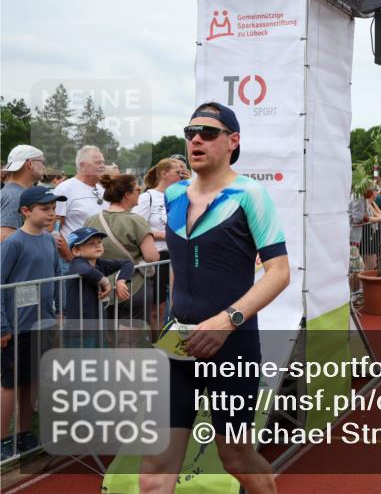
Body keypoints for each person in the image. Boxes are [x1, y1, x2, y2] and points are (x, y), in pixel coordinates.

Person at [140, 102, 289, 494]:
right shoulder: (174, 195)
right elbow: (181, 264)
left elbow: (279, 272)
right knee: (154, 468)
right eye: (190, 133)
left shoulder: (250, 194)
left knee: (235, 457)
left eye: (208, 133)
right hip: (179, 345)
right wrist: (171, 320)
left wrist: (227, 321)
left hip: (232, 346)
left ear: (233, 141)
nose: (196, 140)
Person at [0, 186, 65, 460]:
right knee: (10, 384)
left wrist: (60, 313)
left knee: (32, 381)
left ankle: (24, 432)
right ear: (26, 211)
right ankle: (3, 439)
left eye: (53, 208)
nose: (51, 214)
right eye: (44, 208)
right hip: (17, 327)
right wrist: (2, 326)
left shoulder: (50, 241)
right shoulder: (13, 243)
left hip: (43, 325)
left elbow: (58, 276)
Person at [84, 174, 159, 327]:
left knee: (108, 335)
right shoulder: (136, 220)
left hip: (102, 287)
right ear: (127, 194)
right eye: (138, 189)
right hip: (133, 285)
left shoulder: (91, 220)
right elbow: (152, 257)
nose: (140, 192)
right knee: (133, 335)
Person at [134, 159, 189, 323]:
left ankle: (176, 335)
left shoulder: (184, 195)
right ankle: (157, 338)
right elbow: (136, 228)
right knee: (157, 308)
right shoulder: (148, 197)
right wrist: (167, 235)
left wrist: (189, 183)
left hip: (179, 256)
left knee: (180, 303)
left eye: (183, 172)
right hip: (158, 257)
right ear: (164, 174)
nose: (181, 175)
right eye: (178, 172)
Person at [63, 228, 134, 346]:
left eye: (99, 242)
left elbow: (127, 263)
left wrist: (121, 281)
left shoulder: (100, 263)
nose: (97, 245)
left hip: (98, 324)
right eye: (91, 243)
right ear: (76, 250)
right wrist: (106, 282)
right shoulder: (77, 263)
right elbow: (86, 271)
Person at [53, 146, 108, 261]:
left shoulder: (102, 190)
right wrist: (70, 258)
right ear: (82, 165)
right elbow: (55, 227)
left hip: (100, 261)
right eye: (98, 162)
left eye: (103, 162)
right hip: (76, 261)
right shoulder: (64, 189)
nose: (103, 166)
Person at [1, 145, 45, 242]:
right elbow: (5, 237)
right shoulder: (15, 196)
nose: (43, 166)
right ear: (30, 163)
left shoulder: (11, 192)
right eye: (42, 162)